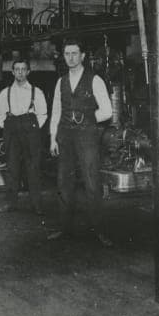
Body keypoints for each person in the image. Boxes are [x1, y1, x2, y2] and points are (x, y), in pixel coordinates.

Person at [48, 37, 113, 245]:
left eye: (75, 53)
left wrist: (88, 118)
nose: (71, 57)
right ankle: (64, 228)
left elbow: (108, 111)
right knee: (64, 183)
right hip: (65, 135)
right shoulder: (61, 81)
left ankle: (100, 230)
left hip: (87, 135)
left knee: (92, 182)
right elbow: (56, 111)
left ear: (83, 56)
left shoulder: (95, 80)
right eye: (67, 54)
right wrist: (53, 138)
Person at [0, 58, 49, 217]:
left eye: (23, 69)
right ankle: (11, 203)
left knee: (33, 168)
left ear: (28, 72)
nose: (20, 72)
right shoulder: (5, 93)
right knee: (12, 168)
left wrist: (33, 128)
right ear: (12, 72)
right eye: (17, 69)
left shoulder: (36, 92)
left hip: (30, 131)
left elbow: (43, 114)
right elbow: (0, 114)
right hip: (11, 130)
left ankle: (36, 204)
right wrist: (6, 126)